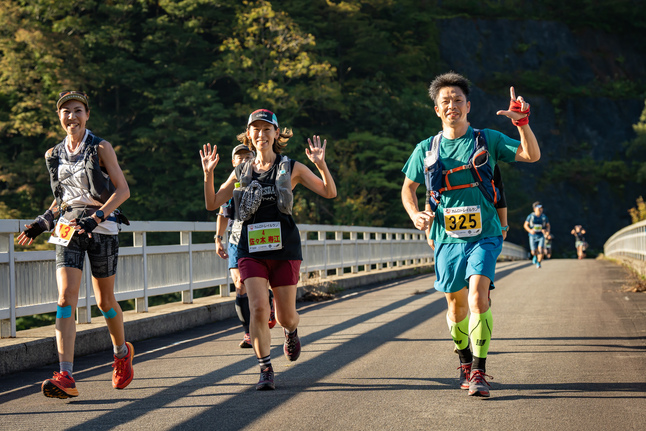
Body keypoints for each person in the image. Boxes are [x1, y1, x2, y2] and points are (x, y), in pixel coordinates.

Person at [401, 72, 540, 397]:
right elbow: (408, 189)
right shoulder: (426, 149)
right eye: (445, 101)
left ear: (468, 105)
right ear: (437, 109)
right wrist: (415, 213)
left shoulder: (487, 139)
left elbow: (530, 155)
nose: (452, 106)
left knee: (479, 297)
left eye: (458, 100)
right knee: (456, 307)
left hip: (485, 234)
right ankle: (464, 359)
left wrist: (522, 124)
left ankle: (479, 370)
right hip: (446, 238)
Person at [201, 109, 337, 390]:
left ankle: (291, 331)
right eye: (256, 130)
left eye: (267, 130)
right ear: (248, 135)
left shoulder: (292, 167)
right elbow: (213, 203)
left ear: (277, 134)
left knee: (286, 315)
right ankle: (265, 368)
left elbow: (329, 192)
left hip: (285, 247)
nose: (261, 135)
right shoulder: (241, 170)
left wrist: (321, 165)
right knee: (259, 309)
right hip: (251, 249)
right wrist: (208, 174)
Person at [17, 91, 133, 399]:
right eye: (66, 111)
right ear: (59, 117)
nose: (72, 116)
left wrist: (96, 218)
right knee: (66, 298)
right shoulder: (52, 154)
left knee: (105, 302)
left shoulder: (101, 147)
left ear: (87, 114)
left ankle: (121, 353)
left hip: (102, 228)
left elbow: (122, 191)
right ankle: (65, 374)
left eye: (77, 110)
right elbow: (61, 199)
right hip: (68, 229)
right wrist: (42, 222)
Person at [214, 144, 276, 348]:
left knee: (259, 281)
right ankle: (248, 333)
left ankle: (269, 301)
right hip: (235, 237)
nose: (243, 160)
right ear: (233, 162)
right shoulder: (231, 184)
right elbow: (223, 212)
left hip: (258, 235)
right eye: (238, 157)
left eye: (247, 156)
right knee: (240, 284)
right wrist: (218, 237)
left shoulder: (262, 178)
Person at [523, 201, 550, 268]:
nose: (540, 209)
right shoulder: (531, 216)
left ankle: (539, 263)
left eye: (541, 208)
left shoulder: (544, 217)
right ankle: (534, 256)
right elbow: (525, 225)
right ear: (534, 209)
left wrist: (547, 232)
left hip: (541, 235)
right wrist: (530, 230)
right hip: (532, 236)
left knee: (541, 249)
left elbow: (548, 225)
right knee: (533, 251)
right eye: (538, 208)